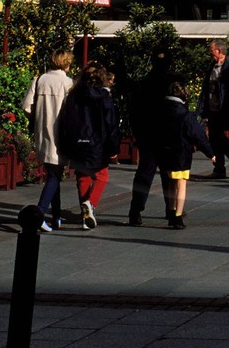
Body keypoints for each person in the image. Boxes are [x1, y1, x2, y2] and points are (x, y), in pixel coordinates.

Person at [56, 61, 120, 229]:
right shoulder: (104, 98)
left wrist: (65, 143)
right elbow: (110, 124)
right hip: (97, 143)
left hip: (77, 142)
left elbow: (65, 120)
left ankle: (86, 213)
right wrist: (113, 148)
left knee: (82, 177)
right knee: (101, 176)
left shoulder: (73, 96)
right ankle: (90, 204)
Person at [21, 51, 75, 232]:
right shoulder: (68, 84)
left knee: (53, 174)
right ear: (66, 64)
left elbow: (26, 106)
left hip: (42, 132)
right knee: (54, 175)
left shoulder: (40, 80)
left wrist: (37, 119)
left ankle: (56, 216)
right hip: (60, 135)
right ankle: (39, 215)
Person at [153, 80, 215, 229]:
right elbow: (198, 135)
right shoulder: (185, 114)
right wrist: (210, 153)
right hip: (181, 152)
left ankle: (171, 209)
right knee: (181, 183)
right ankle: (178, 216)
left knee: (170, 181)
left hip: (164, 150)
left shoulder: (161, 110)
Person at [126, 45, 175, 226]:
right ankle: (171, 210)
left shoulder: (145, 83)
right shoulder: (171, 83)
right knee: (168, 175)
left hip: (148, 135)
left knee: (145, 173)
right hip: (166, 136)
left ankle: (135, 210)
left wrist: (138, 133)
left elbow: (135, 111)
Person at [197, 39, 229, 177]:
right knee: (214, 137)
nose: (210, 53)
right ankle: (220, 168)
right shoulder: (213, 65)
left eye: (212, 50)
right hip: (212, 108)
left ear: (219, 51)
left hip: (222, 108)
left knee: (217, 135)